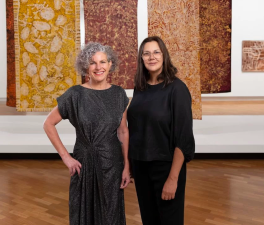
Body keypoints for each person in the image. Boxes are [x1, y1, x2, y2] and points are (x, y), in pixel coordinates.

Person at [43, 42, 130, 225]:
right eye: (93, 63)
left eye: (103, 62)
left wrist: (126, 165)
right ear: (85, 67)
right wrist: (66, 157)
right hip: (84, 163)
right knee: (83, 212)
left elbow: (122, 131)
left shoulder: (119, 94)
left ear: (110, 64)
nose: (98, 67)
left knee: (110, 214)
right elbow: (48, 124)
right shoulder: (75, 95)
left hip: (112, 164)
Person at [127, 36, 195, 225]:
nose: (151, 57)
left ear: (164, 55)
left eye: (156, 52)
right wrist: (130, 165)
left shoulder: (177, 89)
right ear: (141, 58)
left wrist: (173, 179)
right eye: (146, 53)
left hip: (166, 167)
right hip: (141, 166)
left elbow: (183, 138)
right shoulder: (140, 87)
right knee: (149, 220)